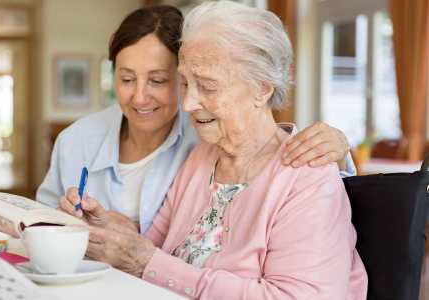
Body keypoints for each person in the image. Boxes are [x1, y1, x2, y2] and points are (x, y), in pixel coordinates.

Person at [60, 2, 368, 299]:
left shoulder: (307, 178)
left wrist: (145, 261)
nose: (188, 103)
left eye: (207, 86)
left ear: (261, 88)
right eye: (184, 83)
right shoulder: (201, 158)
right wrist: (112, 232)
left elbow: (151, 262)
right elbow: (151, 249)